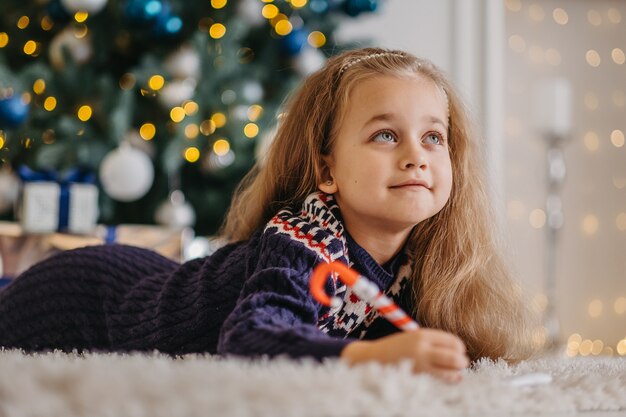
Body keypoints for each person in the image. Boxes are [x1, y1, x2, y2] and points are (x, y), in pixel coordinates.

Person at [0, 47, 535, 382]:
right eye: (385, 135)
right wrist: (377, 359)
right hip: (87, 298)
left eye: (433, 137)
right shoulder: (303, 240)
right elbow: (251, 338)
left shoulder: (415, 264)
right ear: (326, 171)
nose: (416, 154)